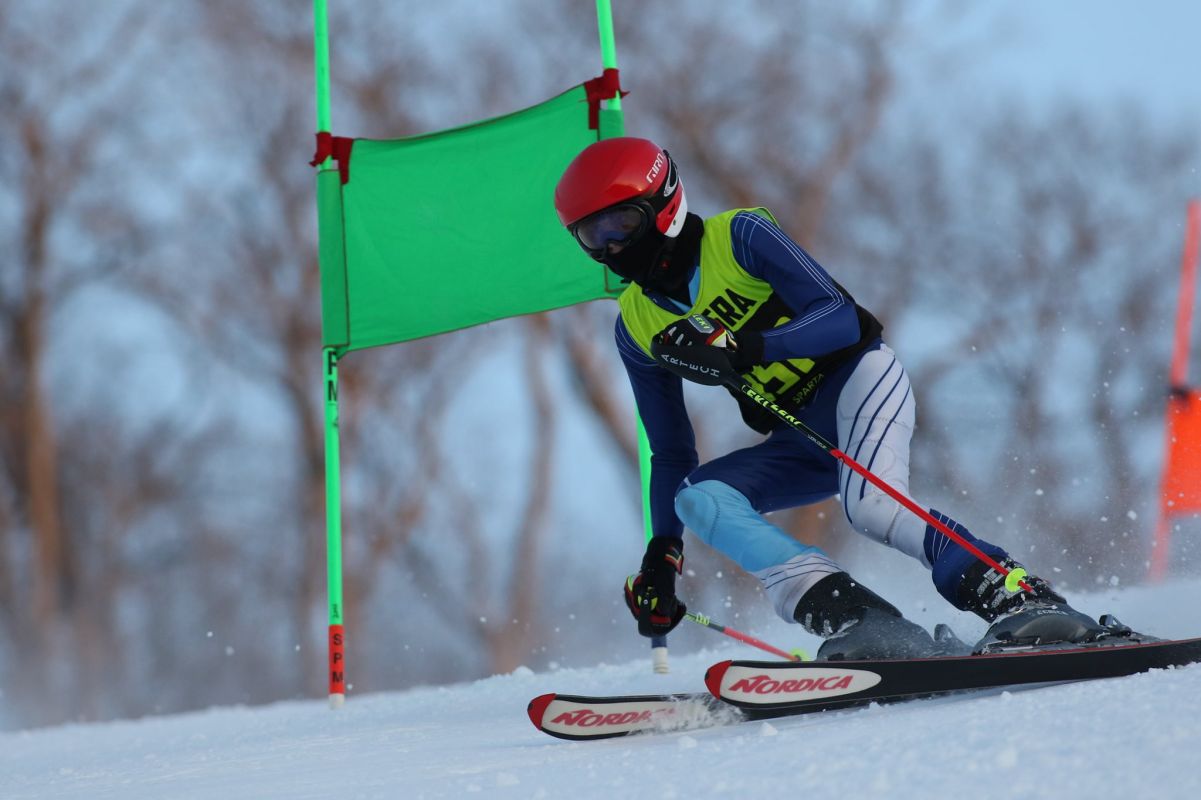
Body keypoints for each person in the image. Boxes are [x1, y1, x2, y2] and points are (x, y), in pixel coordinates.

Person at [554, 136, 1109, 659]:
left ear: (663, 202)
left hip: (861, 381)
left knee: (871, 507)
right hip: (801, 434)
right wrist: (661, 558)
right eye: (592, 236)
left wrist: (745, 346)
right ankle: (857, 617)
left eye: (622, 222)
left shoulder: (739, 236)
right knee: (698, 497)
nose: (613, 246)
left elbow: (841, 318)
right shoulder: (636, 325)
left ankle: (1020, 597)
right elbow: (672, 454)